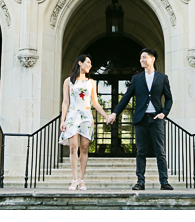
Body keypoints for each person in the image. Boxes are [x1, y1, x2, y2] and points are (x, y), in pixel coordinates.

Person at [106, 49, 174, 190]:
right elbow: (126, 97)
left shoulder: (162, 78)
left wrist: (164, 113)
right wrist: (115, 113)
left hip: (156, 119)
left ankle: (164, 182)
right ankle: (140, 182)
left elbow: (169, 99)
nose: (141, 60)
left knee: (160, 151)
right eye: (140, 58)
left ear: (152, 59)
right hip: (141, 120)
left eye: (144, 57)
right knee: (141, 151)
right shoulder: (136, 79)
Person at [59, 54, 110, 192]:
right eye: (88, 62)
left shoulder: (91, 82)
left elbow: (95, 102)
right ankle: (74, 179)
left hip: (86, 117)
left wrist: (106, 115)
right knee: (73, 148)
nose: (90, 65)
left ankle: (82, 180)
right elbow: (65, 102)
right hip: (72, 117)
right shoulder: (68, 81)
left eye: (90, 63)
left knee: (84, 149)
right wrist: (62, 120)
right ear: (80, 63)